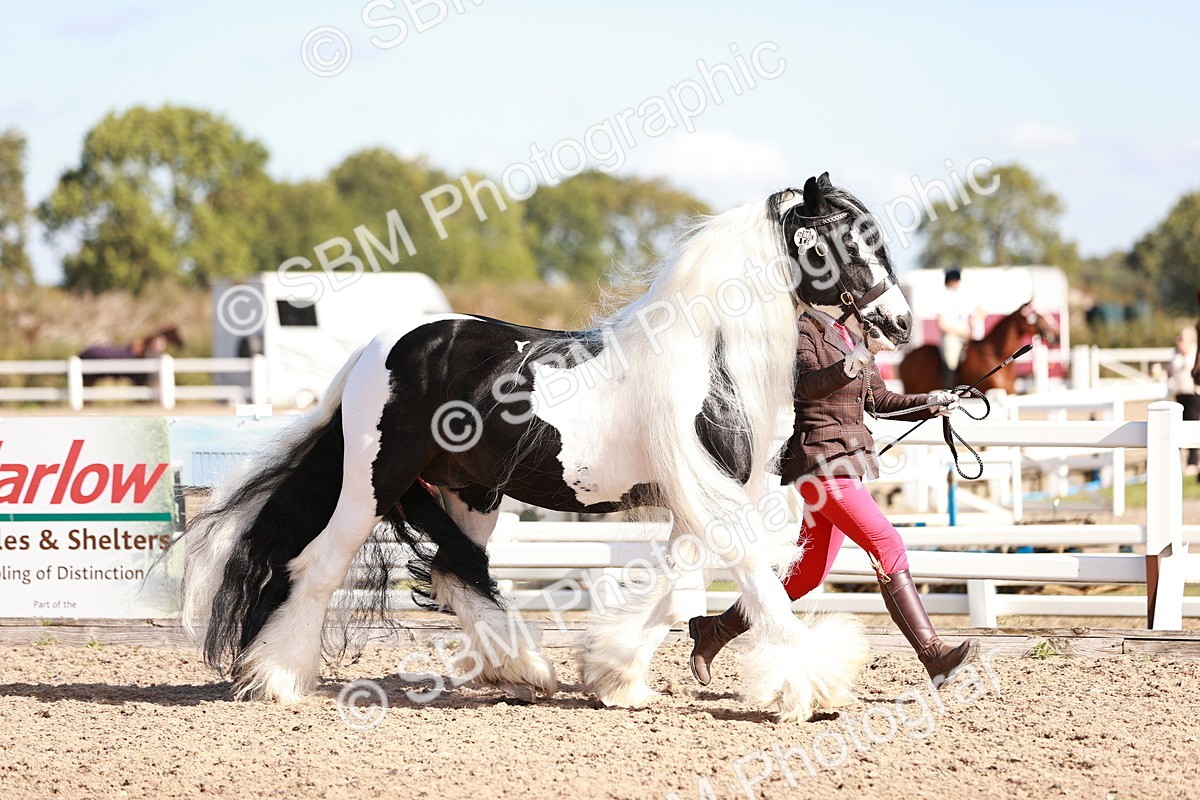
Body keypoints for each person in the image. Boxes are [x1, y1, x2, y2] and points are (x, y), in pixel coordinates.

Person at [686, 307, 978, 687]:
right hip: (819, 464)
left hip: (845, 463)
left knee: (807, 574)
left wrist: (931, 402)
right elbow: (807, 385)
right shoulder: (801, 329)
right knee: (887, 543)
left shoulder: (851, 332)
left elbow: (880, 400)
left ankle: (714, 632)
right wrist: (858, 358)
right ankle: (933, 655)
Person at [937, 268, 982, 387]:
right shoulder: (943, 296)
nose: (957, 283)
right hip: (951, 334)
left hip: (968, 333)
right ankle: (948, 387)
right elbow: (941, 324)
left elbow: (981, 309)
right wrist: (961, 331)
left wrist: (974, 319)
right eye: (955, 280)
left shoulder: (965, 294)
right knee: (950, 359)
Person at [1166, 326, 1200, 477]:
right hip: (1179, 394)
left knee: (1192, 424)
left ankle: (1193, 462)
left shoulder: (1194, 354)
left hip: (1192, 394)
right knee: (1176, 427)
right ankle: (1177, 461)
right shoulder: (1175, 355)